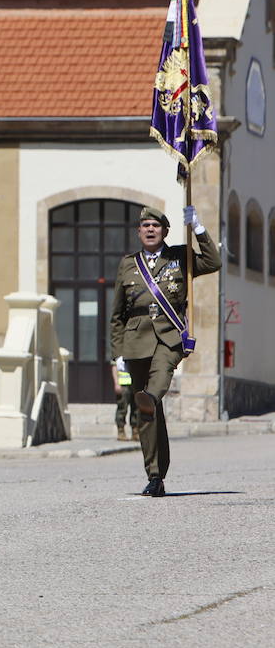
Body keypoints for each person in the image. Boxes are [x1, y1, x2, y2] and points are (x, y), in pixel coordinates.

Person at [108, 205, 219, 497]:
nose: (149, 229)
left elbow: (213, 261)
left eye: (155, 226)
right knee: (148, 411)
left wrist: (197, 228)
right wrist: (117, 354)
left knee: (150, 396)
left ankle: (151, 402)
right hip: (134, 343)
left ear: (165, 231)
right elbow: (118, 314)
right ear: (138, 231)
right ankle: (155, 475)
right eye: (144, 225)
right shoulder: (128, 264)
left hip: (169, 339)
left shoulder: (179, 257)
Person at [112, 357, 138, 442]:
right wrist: (116, 383)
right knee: (122, 408)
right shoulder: (118, 354)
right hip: (123, 385)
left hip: (135, 384)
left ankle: (135, 431)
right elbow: (114, 367)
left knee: (136, 408)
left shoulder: (134, 351)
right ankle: (121, 431)